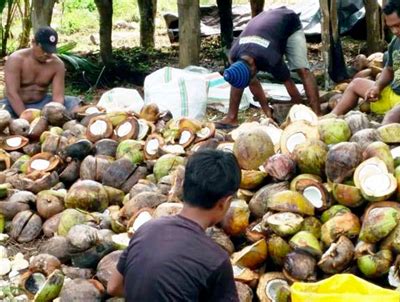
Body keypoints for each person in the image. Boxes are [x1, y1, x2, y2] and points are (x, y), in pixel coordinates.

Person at [107, 149, 241, 302]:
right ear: (225, 203)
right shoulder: (216, 260)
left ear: (183, 185)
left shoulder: (146, 229)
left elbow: (113, 286)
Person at [331, 0, 400, 125]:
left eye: (397, 25)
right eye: (390, 27)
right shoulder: (396, 41)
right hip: (393, 94)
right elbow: (389, 69)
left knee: (394, 115)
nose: (394, 31)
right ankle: (331, 117)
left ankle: (380, 138)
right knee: (356, 83)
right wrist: (377, 87)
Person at [216, 7, 321, 129]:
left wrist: (299, 111)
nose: (250, 81)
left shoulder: (271, 59)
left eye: (251, 77)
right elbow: (252, 81)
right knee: (237, 77)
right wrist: (267, 112)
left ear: (253, 67)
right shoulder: (233, 54)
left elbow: (289, 84)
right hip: (266, 25)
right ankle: (231, 117)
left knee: (302, 70)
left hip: (289, 22)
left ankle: (317, 114)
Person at [1, 26, 81, 118]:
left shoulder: (57, 64)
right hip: (15, 104)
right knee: (2, 112)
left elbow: (58, 97)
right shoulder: (16, 59)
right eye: (43, 49)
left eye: (49, 50)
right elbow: (12, 93)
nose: (46, 54)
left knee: (73, 102)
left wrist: (55, 113)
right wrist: (25, 117)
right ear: (33, 42)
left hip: (42, 104)